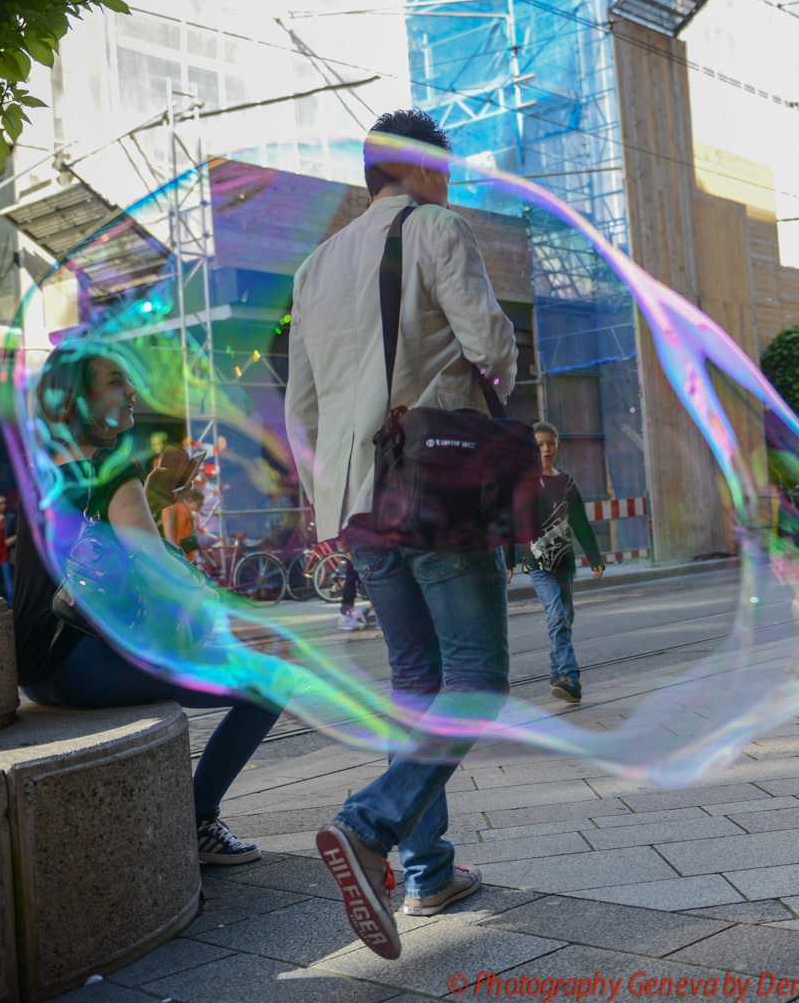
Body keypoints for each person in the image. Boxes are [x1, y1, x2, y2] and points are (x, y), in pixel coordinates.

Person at [285, 108, 517, 960]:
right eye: (443, 169)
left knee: (414, 678)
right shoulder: (435, 229)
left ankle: (429, 872)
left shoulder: (315, 266)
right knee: (478, 680)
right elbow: (488, 346)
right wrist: (491, 379)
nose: (448, 184)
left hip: (354, 500)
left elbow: (301, 407)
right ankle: (370, 825)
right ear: (418, 169)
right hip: (432, 481)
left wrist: (325, 511)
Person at [14, 341, 282, 864]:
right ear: (77, 402)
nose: (132, 391)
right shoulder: (113, 467)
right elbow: (159, 575)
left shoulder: (41, 469)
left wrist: (153, 497)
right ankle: (200, 820)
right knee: (270, 684)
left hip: (37, 669)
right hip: (85, 664)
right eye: (115, 381)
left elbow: (97, 554)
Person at [512, 422, 604, 703]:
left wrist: (595, 556)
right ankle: (569, 677)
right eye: (539, 444)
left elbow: (580, 523)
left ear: (558, 446)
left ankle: (555, 671)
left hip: (565, 564)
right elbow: (512, 524)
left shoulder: (566, 482)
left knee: (566, 618)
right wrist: (507, 561)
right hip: (538, 566)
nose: (545, 449)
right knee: (557, 617)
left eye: (550, 443)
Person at [162, 485, 205, 561]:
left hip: (189, 553)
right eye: (187, 484)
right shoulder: (171, 506)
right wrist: (176, 554)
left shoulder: (184, 504)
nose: (190, 488)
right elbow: (168, 531)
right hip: (180, 553)